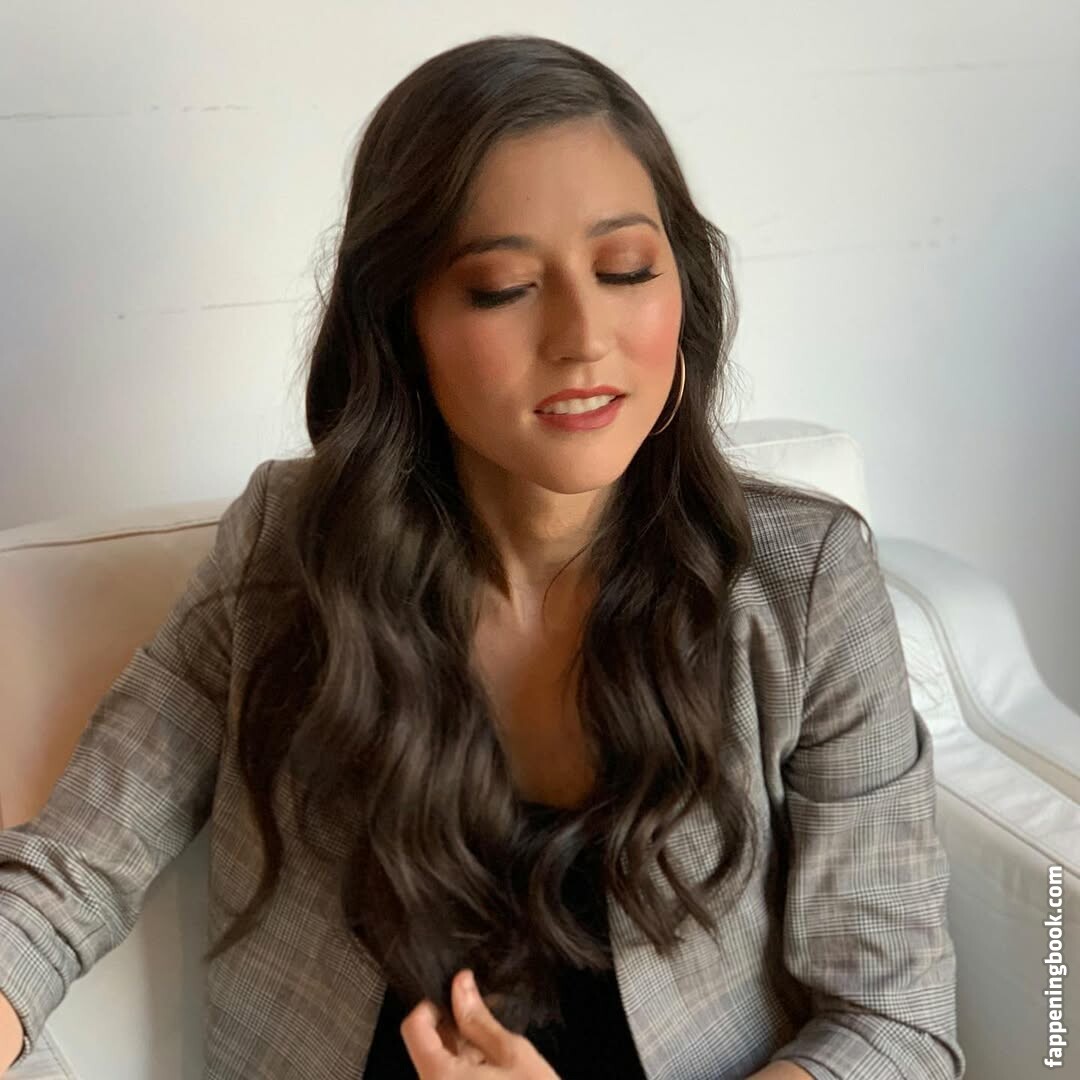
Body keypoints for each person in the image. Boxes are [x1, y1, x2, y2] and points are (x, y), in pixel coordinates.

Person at [0, 33, 965, 1080]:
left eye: (626, 269)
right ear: (400, 323)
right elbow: (69, 873)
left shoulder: (805, 586)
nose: (583, 335)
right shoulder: (290, 546)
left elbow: (895, 1023)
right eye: (504, 287)